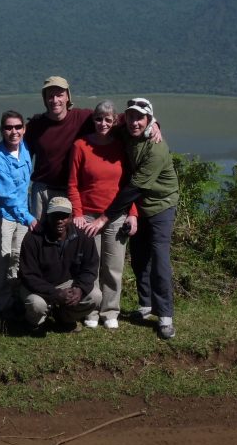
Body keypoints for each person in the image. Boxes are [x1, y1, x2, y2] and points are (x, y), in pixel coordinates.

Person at [86, 98, 179, 339]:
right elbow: (103, 121)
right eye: (131, 117)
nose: (134, 122)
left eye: (140, 118)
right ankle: (146, 306)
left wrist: (105, 217)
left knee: (159, 258)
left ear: (149, 120)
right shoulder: (125, 131)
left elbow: (133, 188)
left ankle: (166, 316)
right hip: (139, 206)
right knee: (139, 258)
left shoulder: (156, 148)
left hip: (160, 205)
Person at [67, 100, 138, 330]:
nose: (103, 123)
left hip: (116, 215)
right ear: (93, 120)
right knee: (91, 266)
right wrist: (77, 213)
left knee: (113, 266)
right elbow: (73, 184)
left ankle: (110, 311)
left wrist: (133, 213)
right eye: (99, 118)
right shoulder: (80, 146)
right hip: (88, 215)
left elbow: (130, 185)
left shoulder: (121, 147)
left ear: (115, 120)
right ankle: (91, 309)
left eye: (108, 119)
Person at [0, 110, 37, 318]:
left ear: (24, 129)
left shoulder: (24, 147)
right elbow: (7, 195)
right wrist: (29, 217)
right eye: (8, 127)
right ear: (2, 131)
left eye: (18, 127)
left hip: (22, 211)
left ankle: (15, 296)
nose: (13, 131)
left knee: (18, 255)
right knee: (0, 259)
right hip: (1, 214)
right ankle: (2, 304)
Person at [18, 196, 101, 333]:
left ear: (71, 217)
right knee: (36, 305)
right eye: (55, 216)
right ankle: (34, 322)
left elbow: (90, 268)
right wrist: (54, 293)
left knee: (95, 296)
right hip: (38, 286)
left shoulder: (83, 236)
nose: (60, 221)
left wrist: (79, 289)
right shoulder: (32, 238)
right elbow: (28, 275)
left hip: (66, 283)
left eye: (64, 216)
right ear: (47, 216)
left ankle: (64, 318)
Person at [23, 76, 94, 221]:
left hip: (72, 191)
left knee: (70, 236)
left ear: (68, 96)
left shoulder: (83, 118)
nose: (55, 100)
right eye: (50, 96)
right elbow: (21, 156)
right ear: (45, 99)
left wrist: (153, 124)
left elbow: (114, 119)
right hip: (42, 191)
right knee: (39, 233)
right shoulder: (36, 125)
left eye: (60, 95)